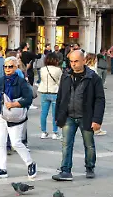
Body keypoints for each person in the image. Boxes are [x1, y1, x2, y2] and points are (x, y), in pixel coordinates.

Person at [52, 50, 105, 181]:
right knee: (66, 144)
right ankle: (65, 170)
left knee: (89, 144)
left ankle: (90, 167)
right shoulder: (66, 76)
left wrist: (97, 120)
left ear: (84, 61)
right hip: (68, 116)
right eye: (71, 61)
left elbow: (100, 100)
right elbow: (60, 97)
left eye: (76, 61)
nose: (73, 64)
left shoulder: (93, 78)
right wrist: (58, 116)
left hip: (86, 116)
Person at [0, 56, 36, 179]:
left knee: (16, 142)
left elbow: (28, 98)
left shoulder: (21, 82)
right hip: (0, 114)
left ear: (16, 67)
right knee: (0, 142)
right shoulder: (0, 80)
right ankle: (2, 168)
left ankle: (30, 163)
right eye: (5, 66)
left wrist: (14, 104)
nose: (7, 69)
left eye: (10, 66)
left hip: (15, 116)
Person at [37, 53, 62, 140]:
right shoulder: (58, 70)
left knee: (44, 113)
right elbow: (60, 81)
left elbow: (41, 80)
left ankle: (43, 132)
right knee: (55, 114)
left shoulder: (42, 69)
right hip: (54, 91)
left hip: (44, 91)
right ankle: (55, 132)